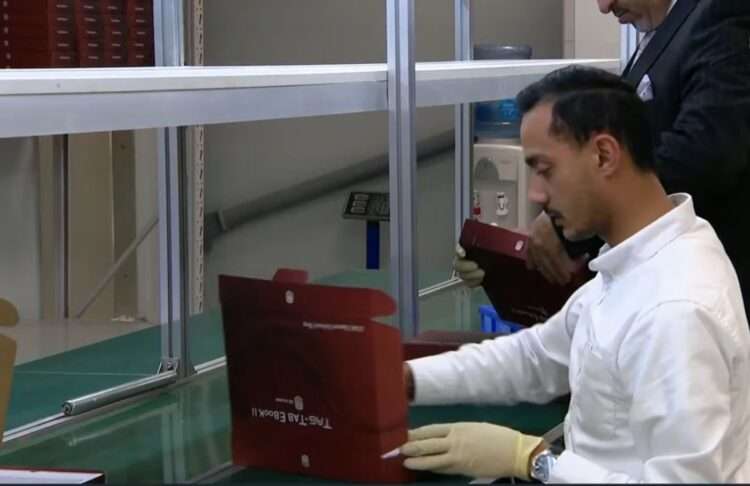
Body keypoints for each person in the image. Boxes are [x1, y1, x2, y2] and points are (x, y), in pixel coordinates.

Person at [399, 66, 750, 482]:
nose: (535, 193)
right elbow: (535, 357)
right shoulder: (634, 262)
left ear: (603, 155)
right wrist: (408, 379)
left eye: (544, 169)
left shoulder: (675, 308)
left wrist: (534, 460)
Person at [455, 0, 750, 312]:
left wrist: (567, 231)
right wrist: (516, 254)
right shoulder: (662, 33)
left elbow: (705, 153)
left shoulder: (720, 14)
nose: (604, 6)